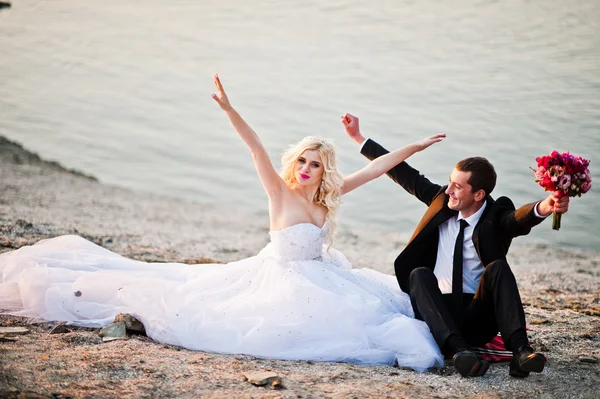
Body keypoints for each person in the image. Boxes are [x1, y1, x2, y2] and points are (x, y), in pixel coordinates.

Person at [0, 76, 446, 371]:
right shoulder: (280, 192)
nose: (307, 169)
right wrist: (231, 110)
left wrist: (415, 146)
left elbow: (374, 169)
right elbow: (256, 149)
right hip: (279, 279)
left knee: (382, 305)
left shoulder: (329, 197)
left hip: (323, 276)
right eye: (303, 161)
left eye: (315, 164)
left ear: (324, 170)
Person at [340, 113, 569, 378]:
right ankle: (461, 353)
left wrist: (545, 206)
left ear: (479, 195)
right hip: (439, 312)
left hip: (478, 316)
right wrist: (358, 137)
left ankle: (521, 352)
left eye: (457, 186)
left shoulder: (495, 215)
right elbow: (402, 173)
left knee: (498, 268)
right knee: (419, 274)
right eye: (450, 182)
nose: (449, 190)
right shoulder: (441, 201)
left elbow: (517, 219)